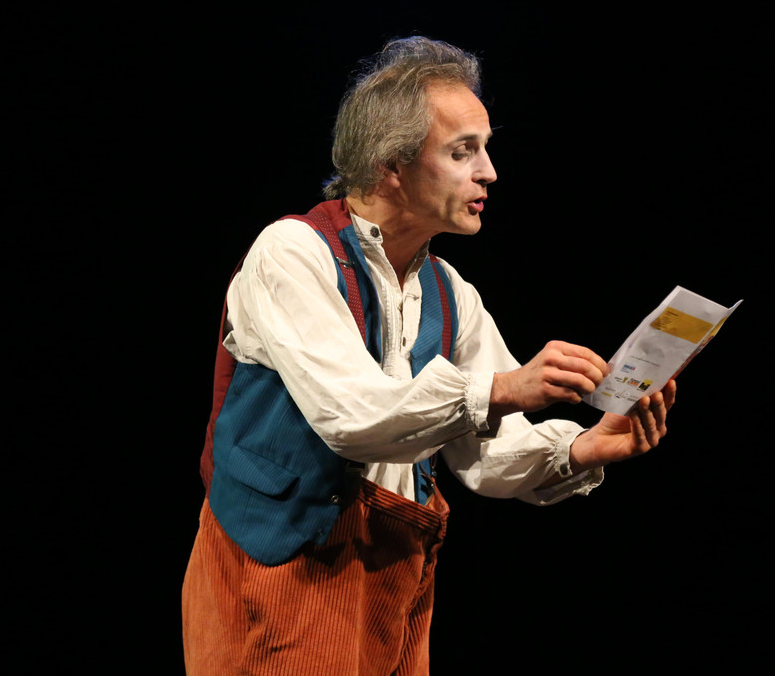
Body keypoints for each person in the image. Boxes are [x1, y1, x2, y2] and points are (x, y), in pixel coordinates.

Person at [182, 35, 676, 675]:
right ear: (391, 163)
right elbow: (354, 418)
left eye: (485, 148)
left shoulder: (449, 293)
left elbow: (486, 455)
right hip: (280, 568)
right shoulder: (292, 252)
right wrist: (503, 389)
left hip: (394, 575)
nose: (488, 172)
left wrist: (585, 448)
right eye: (462, 151)